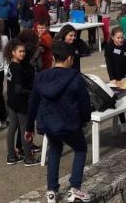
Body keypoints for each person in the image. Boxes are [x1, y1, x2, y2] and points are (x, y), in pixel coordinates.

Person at [25, 41, 92, 203]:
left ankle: (51, 192)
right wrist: (85, 119)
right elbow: (84, 103)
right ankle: (74, 188)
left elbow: (32, 103)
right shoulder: (75, 77)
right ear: (69, 59)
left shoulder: (40, 77)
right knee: (80, 149)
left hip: (49, 124)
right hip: (70, 123)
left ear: (53, 58)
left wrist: (29, 127)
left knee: (54, 149)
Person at [5, 39, 39, 166]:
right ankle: (29, 158)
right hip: (20, 103)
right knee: (26, 129)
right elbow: (19, 89)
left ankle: (11, 155)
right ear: (13, 52)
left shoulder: (11, 65)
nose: (23, 54)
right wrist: (32, 92)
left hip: (11, 102)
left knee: (12, 128)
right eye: (20, 51)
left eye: (24, 51)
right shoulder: (18, 68)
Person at [104, 27, 126, 132]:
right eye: (118, 38)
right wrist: (112, 78)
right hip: (117, 78)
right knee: (120, 101)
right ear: (112, 37)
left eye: (122, 37)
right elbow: (109, 64)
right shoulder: (109, 47)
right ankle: (123, 122)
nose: (121, 40)